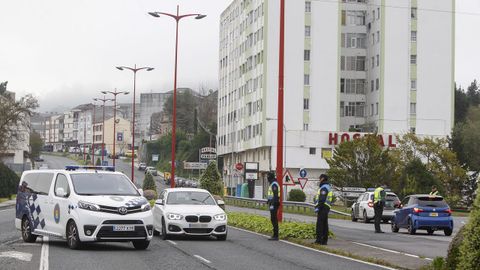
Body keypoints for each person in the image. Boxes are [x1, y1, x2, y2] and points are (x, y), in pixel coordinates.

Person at [314, 174, 333, 245]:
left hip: (323, 207)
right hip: (326, 207)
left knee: (320, 224)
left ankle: (319, 241)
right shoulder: (327, 186)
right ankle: (324, 241)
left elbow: (322, 199)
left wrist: (318, 207)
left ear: (322, 179)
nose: (319, 180)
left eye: (320, 178)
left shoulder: (324, 187)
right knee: (324, 224)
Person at [267, 172, 280, 241]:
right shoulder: (272, 183)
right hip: (272, 203)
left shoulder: (274, 184)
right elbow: (271, 195)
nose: (267, 178)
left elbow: (275, 195)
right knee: (273, 219)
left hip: (274, 204)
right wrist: (268, 200)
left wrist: (272, 203)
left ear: (270, 177)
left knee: (274, 219)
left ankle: (276, 235)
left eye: (268, 176)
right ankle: (275, 234)